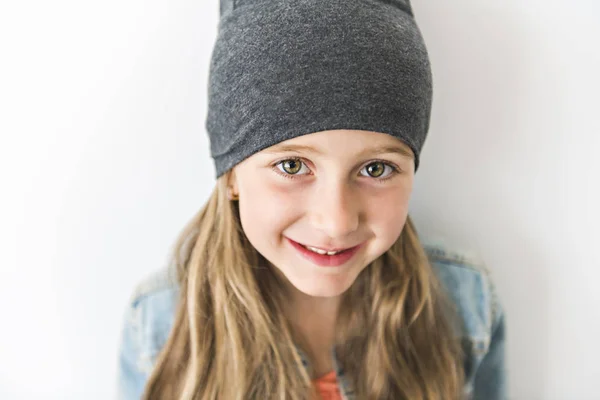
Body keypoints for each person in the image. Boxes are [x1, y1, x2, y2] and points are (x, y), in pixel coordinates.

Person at [116, 0, 507, 398]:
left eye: (375, 169)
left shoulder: (464, 305)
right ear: (231, 173)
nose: (336, 221)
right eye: (291, 166)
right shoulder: (158, 327)